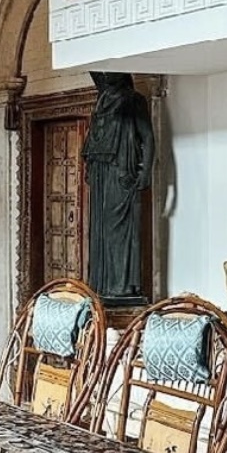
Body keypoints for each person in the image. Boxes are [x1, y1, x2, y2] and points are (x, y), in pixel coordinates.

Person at [81, 71, 154, 304]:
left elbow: (148, 137)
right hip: (102, 172)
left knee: (119, 232)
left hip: (121, 171)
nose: (106, 73)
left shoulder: (133, 100)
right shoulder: (103, 99)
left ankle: (122, 288)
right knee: (100, 231)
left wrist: (146, 172)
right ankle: (102, 285)